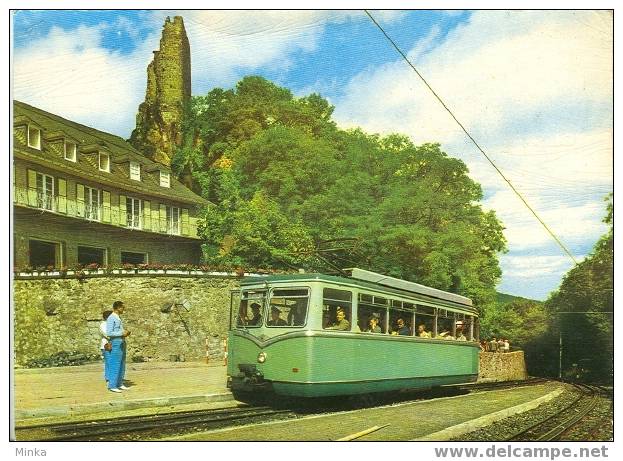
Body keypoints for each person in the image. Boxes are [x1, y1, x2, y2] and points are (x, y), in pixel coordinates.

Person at [106, 300, 131, 393]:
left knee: (122, 363)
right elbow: (109, 332)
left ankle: (119, 383)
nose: (123, 309)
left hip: (121, 341)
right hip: (115, 342)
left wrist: (125, 333)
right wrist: (121, 333)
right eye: (123, 308)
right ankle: (112, 385)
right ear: (118, 308)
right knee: (115, 363)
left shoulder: (118, 317)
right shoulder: (111, 318)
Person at [100, 310, 113, 384]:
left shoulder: (110, 324)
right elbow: (107, 335)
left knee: (112, 362)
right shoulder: (103, 325)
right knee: (109, 362)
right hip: (106, 345)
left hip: (112, 345)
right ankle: (108, 378)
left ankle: (111, 377)